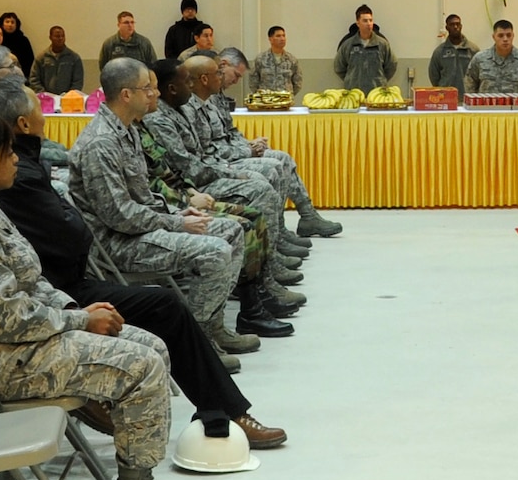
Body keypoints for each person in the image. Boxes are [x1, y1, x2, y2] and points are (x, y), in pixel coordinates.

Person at [0, 108, 202, 480]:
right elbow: (4, 320)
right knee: (140, 366)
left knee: (152, 345)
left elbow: (30, 283)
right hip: (0, 360)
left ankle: (137, 477)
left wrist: (81, 312)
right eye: (8, 153)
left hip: (23, 341)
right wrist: (78, 321)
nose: (16, 160)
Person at [0, 78, 283, 440]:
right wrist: (78, 316)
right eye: (146, 87)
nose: (154, 92)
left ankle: (225, 413)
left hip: (62, 288)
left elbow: (85, 221)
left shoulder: (26, 168)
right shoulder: (18, 182)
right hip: (65, 292)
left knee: (168, 303)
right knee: (175, 303)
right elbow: (85, 230)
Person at [69, 59, 256, 357]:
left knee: (232, 230)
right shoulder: (101, 142)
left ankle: (210, 328)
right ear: (126, 94)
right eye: (147, 88)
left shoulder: (126, 129)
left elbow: (144, 196)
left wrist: (176, 213)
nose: (154, 94)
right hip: (118, 244)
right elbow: (120, 217)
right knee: (215, 251)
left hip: (142, 229)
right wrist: (176, 224)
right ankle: (196, 344)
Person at [149, 57, 305, 316]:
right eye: (186, 81)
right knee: (260, 188)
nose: (191, 85)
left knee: (265, 181)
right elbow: (187, 167)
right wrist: (229, 173)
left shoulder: (179, 109)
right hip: (191, 189)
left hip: (195, 182)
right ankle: (255, 294)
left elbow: (204, 151)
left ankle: (264, 281)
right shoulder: (160, 119)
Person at [208, 50, 340, 239]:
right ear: (223, 64)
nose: (236, 81)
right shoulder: (203, 99)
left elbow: (229, 133)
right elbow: (212, 146)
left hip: (231, 152)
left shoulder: (217, 96)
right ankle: (278, 232)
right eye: (236, 75)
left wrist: (250, 143)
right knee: (275, 164)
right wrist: (247, 150)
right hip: (220, 161)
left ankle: (306, 217)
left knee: (282, 158)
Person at [465, 20, 518, 93]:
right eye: (500, 35)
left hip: (517, 106)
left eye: (508, 35)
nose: (505, 39)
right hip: (488, 106)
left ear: (513, 36)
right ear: (494, 37)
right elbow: (470, 85)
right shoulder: (480, 59)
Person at [334, 5, 396, 91]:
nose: (369, 24)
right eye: (365, 21)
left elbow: (391, 65)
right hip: (353, 93)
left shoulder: (382, 44)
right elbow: (339, 67)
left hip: (377, 94)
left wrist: (380, 80)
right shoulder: (347, 45)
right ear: (358, 23)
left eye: (371, 20)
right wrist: (351, 79)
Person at [30, 25, 85, 94]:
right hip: (46, 99)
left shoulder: (74, 58)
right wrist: (44, 94)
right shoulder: (41, 58)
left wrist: (70, 94)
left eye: (63, 36)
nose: (60, 38)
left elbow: (78, 81)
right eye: (57, 36)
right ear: (50, 38)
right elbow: (34, 79)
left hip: (68, 99)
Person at [427, 15, 474, 94]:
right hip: (446, 98)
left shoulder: (472, 49)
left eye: (457, 24)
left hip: (467, 97)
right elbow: (434, 76)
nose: (455, 27)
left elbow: (478, 73)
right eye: (452, 24)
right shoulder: (439, 52)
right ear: (447, 27)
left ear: (461, 26)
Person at [251, 25, 302, 96]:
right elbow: (253, 81)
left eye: (283, 35)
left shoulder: (291, 59)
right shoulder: (261, 59)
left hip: (285, 101)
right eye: (278, 36)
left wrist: (289, 95)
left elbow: (297, 82)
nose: (282, 39)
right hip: (266, 102)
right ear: (270, 39)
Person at [0, 12, 36, 76]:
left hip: (21, 76)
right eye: (7, 21)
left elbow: (30, 61)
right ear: (2, 24)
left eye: (12, 22)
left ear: (16, 25)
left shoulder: (23, 40)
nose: (10, 24)